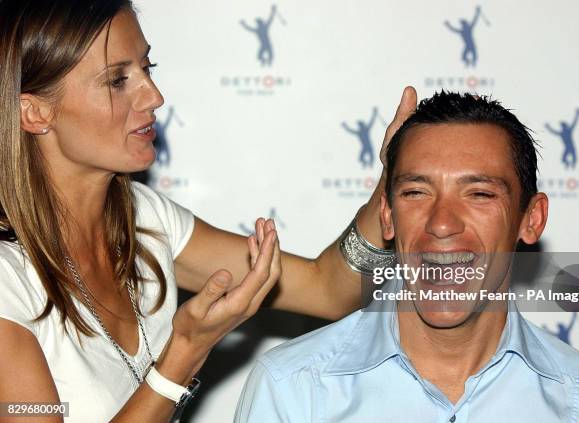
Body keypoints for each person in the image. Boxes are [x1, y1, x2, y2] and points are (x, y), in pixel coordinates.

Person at [0, 1, 416, 422]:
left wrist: (394, 179)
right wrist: (185, 350)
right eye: (117, 80)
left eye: (148, 68)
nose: (154, 96)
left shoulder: (145, 220)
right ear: (35, 112)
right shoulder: (6, 282)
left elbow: (330, 291)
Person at [234, 92, 579, 422]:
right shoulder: (293, 388)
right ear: (386, 216)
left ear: (531, 219)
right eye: (416, 192)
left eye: (479, 194)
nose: (442, 224)